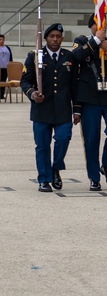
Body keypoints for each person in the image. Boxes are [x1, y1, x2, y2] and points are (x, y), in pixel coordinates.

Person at [72, 14, 107, 190]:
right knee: (91, 139)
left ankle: (106, 164)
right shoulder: (82, 41)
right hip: (89, 98)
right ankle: (94, 177)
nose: (101, 27)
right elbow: (76, 57)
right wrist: (96, 42)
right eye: (97, 24)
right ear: (91, 27)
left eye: (103, 24)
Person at [21, 23, 79, 192]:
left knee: (63, 138)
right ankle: (44, 179)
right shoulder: (34, 56)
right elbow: (25, 81)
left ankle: (56, 168)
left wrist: (77, 109)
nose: (55, 39)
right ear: (45, 38)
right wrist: (32, 94)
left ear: (62, 38)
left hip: (62, 109)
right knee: (42, 145)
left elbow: (74, 85)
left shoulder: (69, 57)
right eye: (52, 36)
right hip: (42, 109)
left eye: (58, 36)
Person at [0, 34, 12, 100]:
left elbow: (10, 57)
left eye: (2, 39)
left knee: (3, 80)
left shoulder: (7, 48)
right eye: (0, 40)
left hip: (6, 67)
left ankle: (2, 94)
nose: (1, 41)